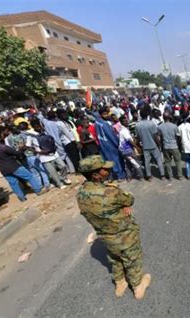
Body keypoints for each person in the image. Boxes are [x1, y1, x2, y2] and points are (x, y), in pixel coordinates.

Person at [76, 155, 151, 299]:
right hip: (124, 235)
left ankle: (120, 283)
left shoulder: (81, 193)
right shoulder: (111, 191)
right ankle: (137, 286)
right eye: (104, 169)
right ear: (96, 175)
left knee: (114, 258)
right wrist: (124, 204)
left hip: (105, 236)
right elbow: (130, 199)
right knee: (132, 259)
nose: (108, 169)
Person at [0, 127, 44, 201]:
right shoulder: (4, 147)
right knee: (29, 176)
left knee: (13, 183)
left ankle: (21, 197)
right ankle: (38, 190)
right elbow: (17, 154)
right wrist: (22, 148)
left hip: (3, 169)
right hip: (13, 166)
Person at [30, 119, 71, 189]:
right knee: (53, 172)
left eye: (39, 126)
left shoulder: (45, 132)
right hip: (44, 157)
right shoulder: (31, 136)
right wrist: (39, 152)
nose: (39, 128)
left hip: (54, 154)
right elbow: (29, 147)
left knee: (63, 166)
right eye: (36, 127)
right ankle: (59, 184)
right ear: (33, 127)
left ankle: (64, 177)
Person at [95, 107, 126, 180]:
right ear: (101, 115)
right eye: (104, 114)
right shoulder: (104, 124)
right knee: (116, 160)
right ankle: (120, 176)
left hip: (103, 145)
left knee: (108, 160)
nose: (106, 116)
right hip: (110, 144)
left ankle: (111, 176)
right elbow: (110, 135)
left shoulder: (97, 122)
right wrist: (117, 143)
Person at [18, 122, 52, 190]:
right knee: (42, 170)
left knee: (35, 172)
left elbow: (20, 147)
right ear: (27, 126)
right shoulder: (29, 134)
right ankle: (47, 184)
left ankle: (40, 186)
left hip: (27, 157)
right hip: (34, 154)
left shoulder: (19, 136)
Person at [135, 107, 165, 181]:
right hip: (153, 145)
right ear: (147, 115)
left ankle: (149, 176)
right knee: (158, 160)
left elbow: (138, 137)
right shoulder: (151, 123)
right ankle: (162, 175)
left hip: (145, 146)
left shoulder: (137, 125)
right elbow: (155, 136)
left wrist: (139, 144)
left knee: (147, 162)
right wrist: (159, 144)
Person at [117, 116, 144, 181]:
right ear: (121, 122)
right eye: (124, 121)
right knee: (136, 163)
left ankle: (129, 177)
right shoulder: (124, 131)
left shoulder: (123, 130)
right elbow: (129, 141)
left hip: (123, 150)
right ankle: (141, 176)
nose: (126, 122)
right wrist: (137, 148)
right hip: (127, 150)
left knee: (128, 163)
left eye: (126, 120)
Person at [158, 111, 182, 180]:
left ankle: (170, 176)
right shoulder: (174, 126)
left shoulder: (160, 127)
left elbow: (160, 138)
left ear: (163, 117)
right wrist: (179, 146)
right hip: (174, 146)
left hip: (166, 146)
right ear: (170, 117)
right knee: (178, 161)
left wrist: (161, 146)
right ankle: (179, 175)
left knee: (167, 162)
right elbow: (178, 137)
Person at [177, 113, 190, 180]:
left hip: (184, 147)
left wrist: (180, 147)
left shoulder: (179, 127)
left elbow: (179, 138)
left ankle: (188, 175)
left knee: (187, 162)